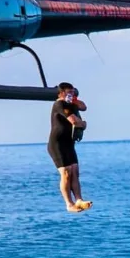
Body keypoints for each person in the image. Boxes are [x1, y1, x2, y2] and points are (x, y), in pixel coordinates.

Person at [48, 82, 91, 212]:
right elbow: (74, 121)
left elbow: (84, 107)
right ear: (61, 93)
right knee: (66, 173)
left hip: (69, 143)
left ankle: (79, 199)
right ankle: (69, 204)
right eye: (68, 92)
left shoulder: (72, 104)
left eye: (72, 92)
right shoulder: (59, 104)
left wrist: (74, 100)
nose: (71, 95)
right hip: (57, 144)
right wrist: (83, 123)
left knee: (74, 171)